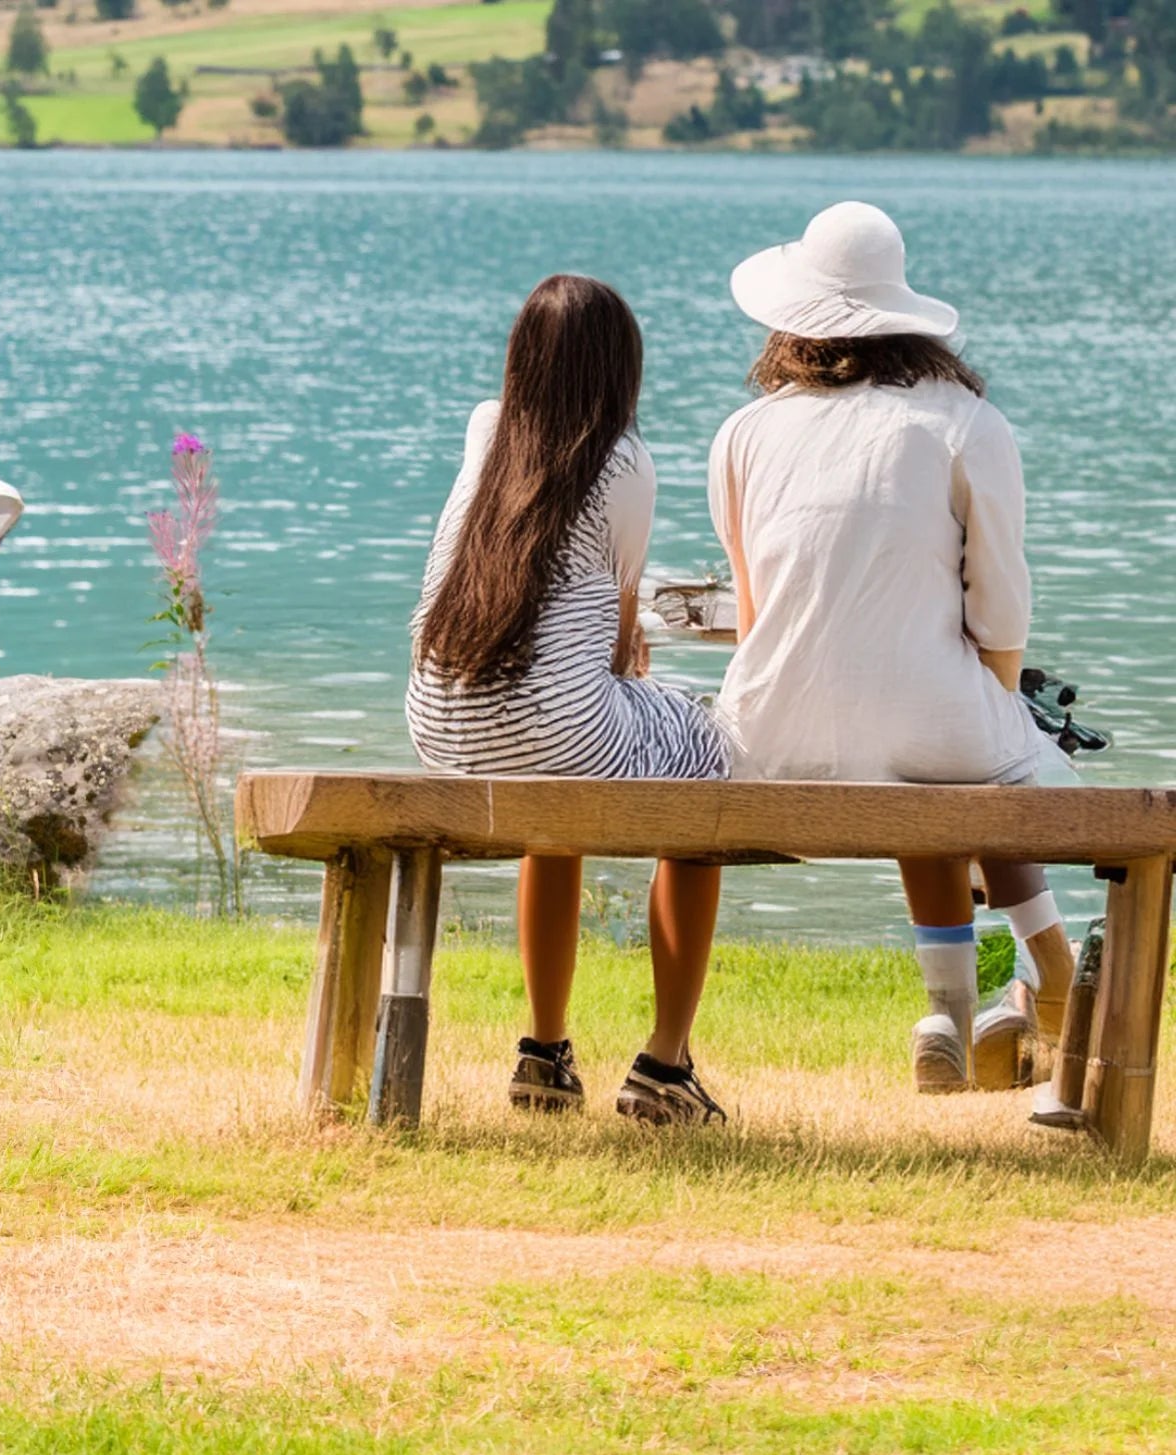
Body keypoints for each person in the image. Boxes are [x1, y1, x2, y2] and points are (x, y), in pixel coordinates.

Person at [708, 201, 1075, 1113]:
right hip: (931, 741)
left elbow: (755, 616)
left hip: (767, 747)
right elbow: (1000, 613)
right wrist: (987, 709)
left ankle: (950, 1015)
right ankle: (1052, 986)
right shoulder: (962, 422)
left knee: (939, 756)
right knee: (990, 760)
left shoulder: (744, 433)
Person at [408, 272, 731, 1127]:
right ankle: (666, 1062)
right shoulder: (625, 460)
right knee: (710, 762)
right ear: (619, 371)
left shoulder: (487, 430)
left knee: (557, 785)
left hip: (439, 720)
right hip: (555, 729)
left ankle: (544, 1050)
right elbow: (625, 639)